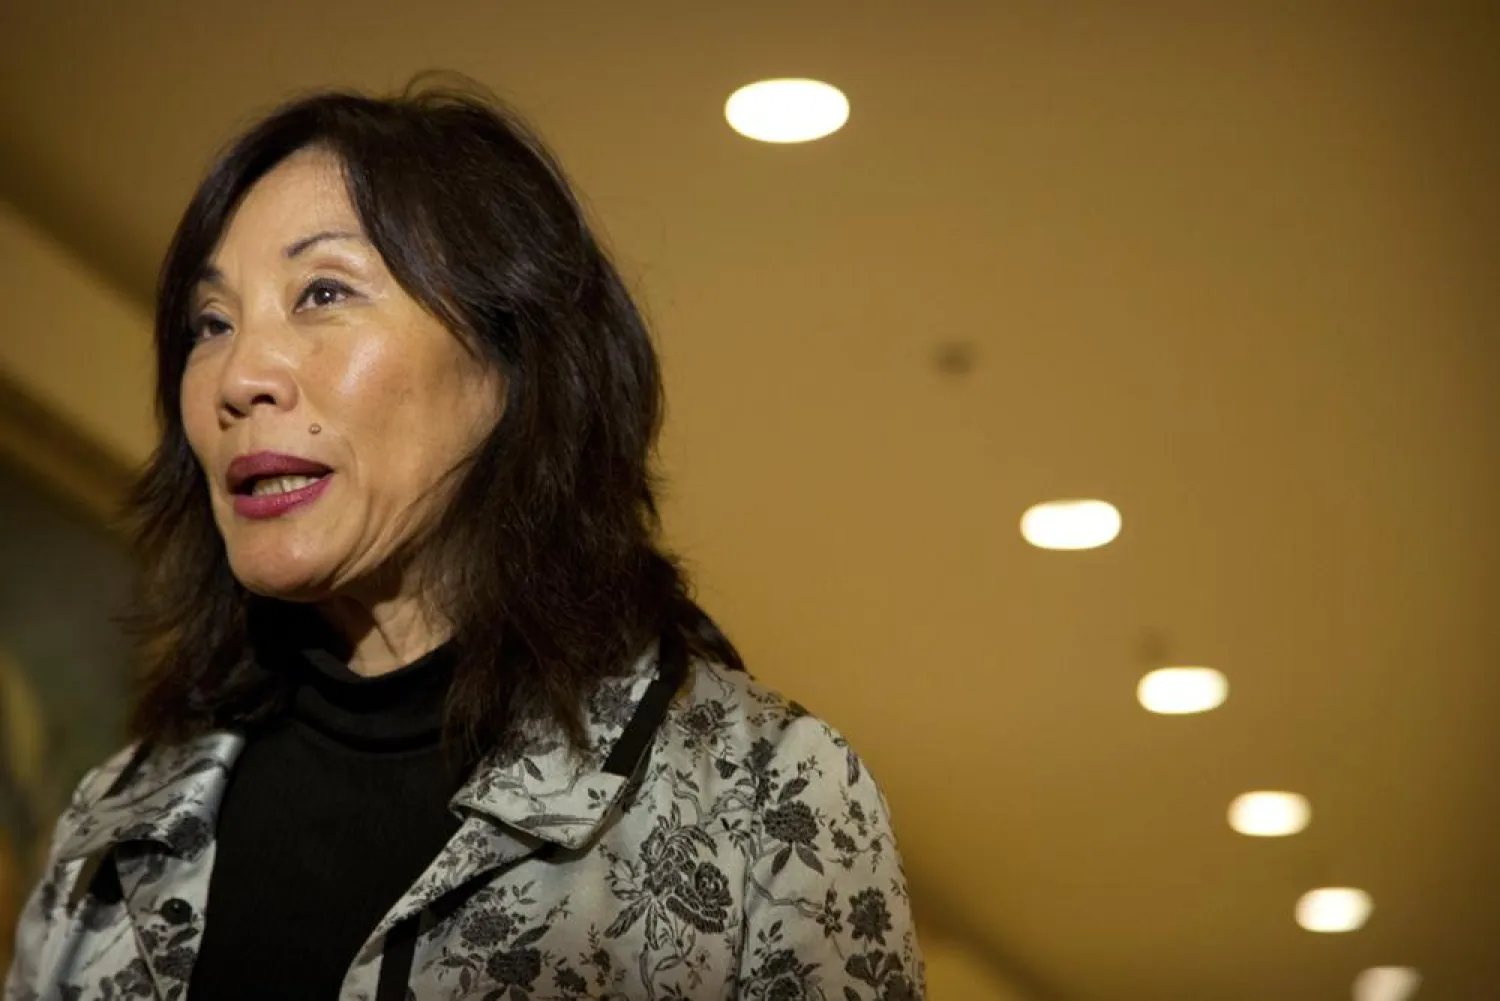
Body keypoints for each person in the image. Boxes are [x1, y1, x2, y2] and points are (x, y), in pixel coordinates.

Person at [4, 79, 923, 1001]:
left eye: (323, 291)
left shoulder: (766, 798)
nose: (240, 374)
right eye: (211, 323)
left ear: (512, 359)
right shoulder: (117, 827)